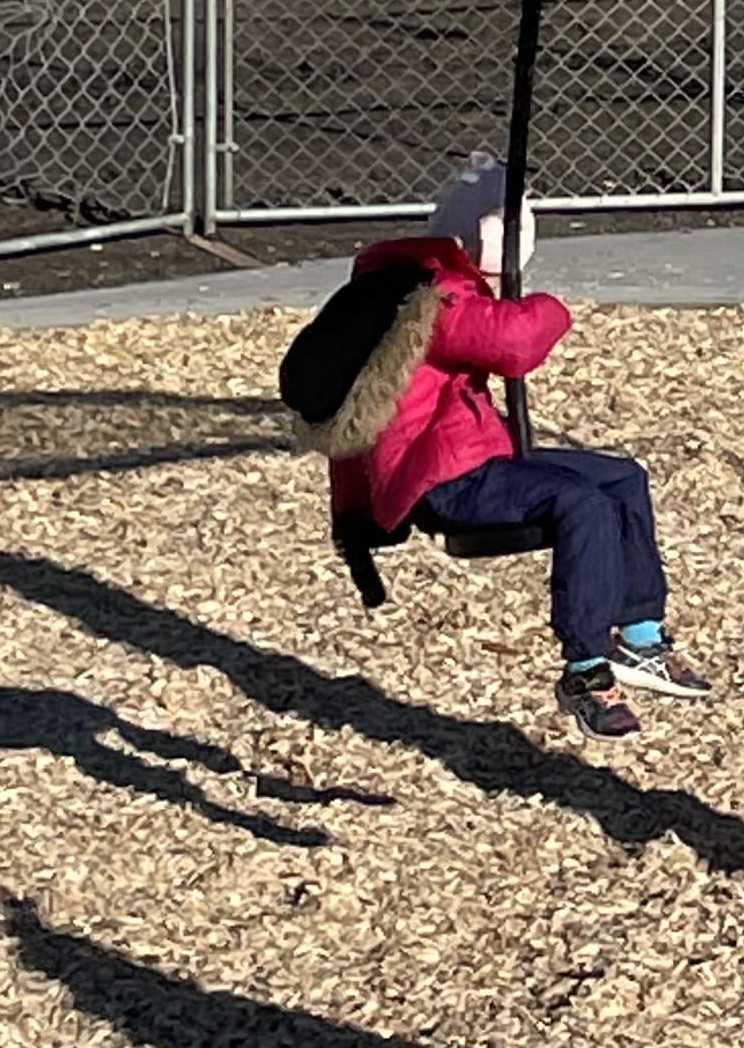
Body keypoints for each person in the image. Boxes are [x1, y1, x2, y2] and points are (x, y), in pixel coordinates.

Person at [280, 154, 710, 742]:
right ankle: (586, 668)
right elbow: (514, 343)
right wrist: (547, 304)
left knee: (622, 478)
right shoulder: (435, 295)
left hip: (473, 450)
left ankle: (639, 634)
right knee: (579, 504)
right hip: (443, 476)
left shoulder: (409, 279)